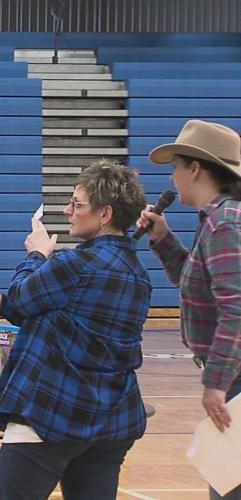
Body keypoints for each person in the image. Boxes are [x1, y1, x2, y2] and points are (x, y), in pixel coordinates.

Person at [0, 160, 151, 499]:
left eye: (77, 204)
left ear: (105, 214)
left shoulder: (76, 264)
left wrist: (38, 254)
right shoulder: (138, 273)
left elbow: (24, 298)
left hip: (52, 413)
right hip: (111, 420)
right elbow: (60, 318)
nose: (68, 211)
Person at [139, 119, 241, 500]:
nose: (174, 179)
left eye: (176, 168)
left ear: (195, 169)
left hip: (235, 383)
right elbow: (197, 284)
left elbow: (236, 308)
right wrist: (163, 239)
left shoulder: (224, 224)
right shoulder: (218, 221)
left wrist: (216, 382)